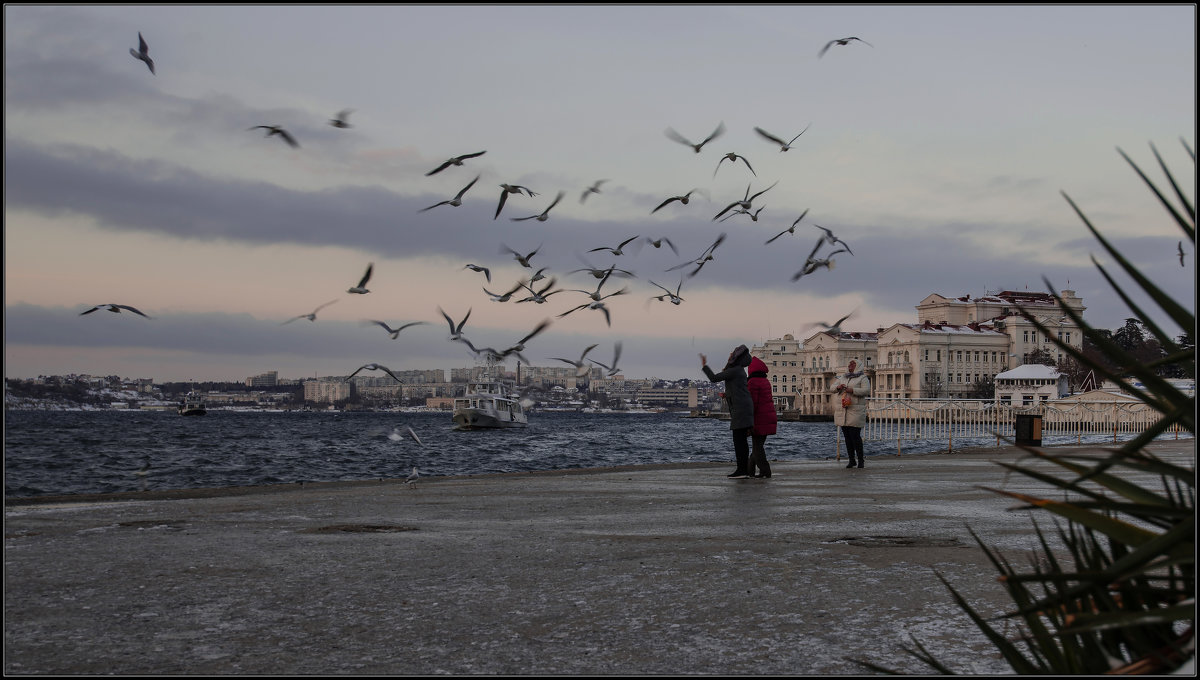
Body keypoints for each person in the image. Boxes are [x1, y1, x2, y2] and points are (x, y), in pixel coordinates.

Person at [700, 345, 754, 478]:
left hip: (740, 410)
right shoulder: (740, 371)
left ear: (736, 357)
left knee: (739, 441)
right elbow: (738, 389)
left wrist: (704, 365)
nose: (730, 354)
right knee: (741, 441)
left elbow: (713, 378)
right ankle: (744, 470)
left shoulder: (735, 370)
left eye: (732, 354)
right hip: (744, 408)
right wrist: (727, 394)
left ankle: (742, 470)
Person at [833, 359, 871, 468]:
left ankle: (860, 460)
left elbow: (866, 390)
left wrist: (853, 390)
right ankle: (851, 460)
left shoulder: (862, 378)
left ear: (858, 366)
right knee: (847, 437)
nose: (850, 365)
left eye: (853, 364)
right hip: (844, 410)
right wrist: (838, 387)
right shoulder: (843, 377)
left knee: (855, 436)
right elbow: (832, 388)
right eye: (849, 363)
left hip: (855, 410)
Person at [746, 355, 777, 478]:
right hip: (768, 418)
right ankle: (750, 471)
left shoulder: (753, 382)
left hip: (759, 419)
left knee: (757, 447)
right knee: (757, 446)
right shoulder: (765, 381)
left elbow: (752, 403)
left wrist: (749, 420)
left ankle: (765, 471)